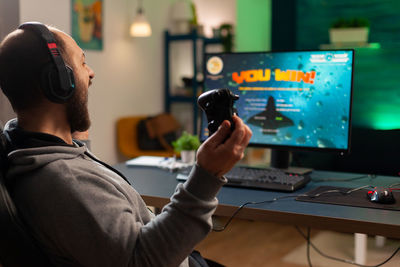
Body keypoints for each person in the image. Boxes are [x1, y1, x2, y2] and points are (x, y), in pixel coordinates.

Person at [0, 22, 252, 267]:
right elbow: (145, 260)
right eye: (82, 62)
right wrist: (207, 174)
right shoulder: (62, 180)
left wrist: (74, 141)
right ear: (60, 82)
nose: (91, 73)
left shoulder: (30, 151)